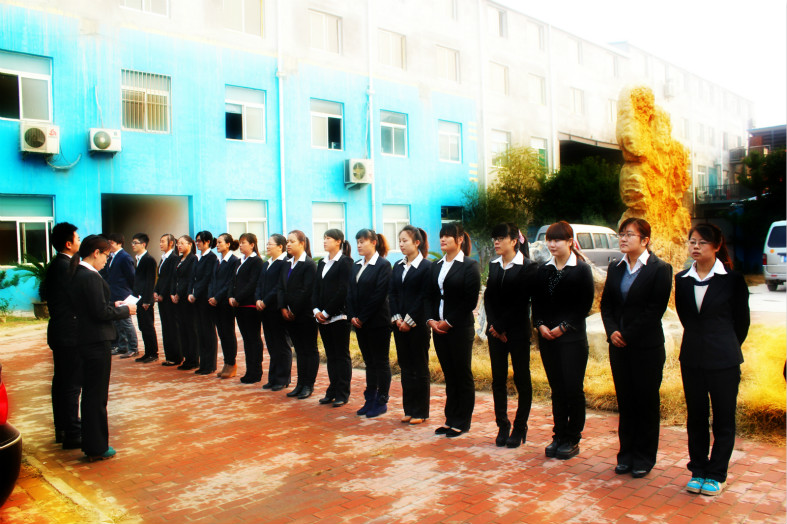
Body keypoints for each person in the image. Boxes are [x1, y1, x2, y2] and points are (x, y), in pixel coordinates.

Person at [675, 223, 749, 496]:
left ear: (717, 246)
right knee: (696, 417)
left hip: (724, 360)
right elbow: (686, 318)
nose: (695, 246)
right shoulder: (682, 279)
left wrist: (724, 345)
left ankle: (717, 473)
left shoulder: (732, 280)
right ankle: (698, 469)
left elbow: (741, 323)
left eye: (702, 242)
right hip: (692, 358)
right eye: (692, 241)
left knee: (723, 419)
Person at [600, 218, 672, 478]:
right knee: (626, 401)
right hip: (619, 347)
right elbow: (606, 305)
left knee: (646, 402)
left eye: (629, 234)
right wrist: (612, 332)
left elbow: (655, 310)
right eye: (621, 234)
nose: (623, 238)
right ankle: (626, 455)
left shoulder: (660, 269)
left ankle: (644, 457)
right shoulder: (616, 267)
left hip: (646, 347)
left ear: (645, 240)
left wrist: (627, 334)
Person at [68, 235, 136, 461]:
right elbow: (99, 313)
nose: (107, 261)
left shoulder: (79, 273)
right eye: (106, 255)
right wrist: (125, 310)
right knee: (96, 396)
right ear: (96, 253)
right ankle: (97, 446)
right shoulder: (89, 276)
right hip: (95, 341)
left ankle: (93, 443)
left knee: (91, 394)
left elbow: (95, 306)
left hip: (87, 339)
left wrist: (112, 305)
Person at [533, 221, 594, 460]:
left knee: (573, 389)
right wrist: (540, 325)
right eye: (549, 239)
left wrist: (563, 327)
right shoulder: (544, 270)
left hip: (572, 339)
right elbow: (537, 303)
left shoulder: (581, 269)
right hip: (548, 339)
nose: (552, 244)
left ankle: (572, 437)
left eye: (557, 240)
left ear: (570, 242)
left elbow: (584, 305)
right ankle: (558, 435)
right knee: (557, 389)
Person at [484, 223, 538, 448]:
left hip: (517, 331)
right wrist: (494, 326)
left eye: (500, 238)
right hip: (496, 332)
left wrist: (502, 326)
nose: (496, 242)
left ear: (514, 241)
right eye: (494, 238)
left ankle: (520, 426)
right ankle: (502, 424)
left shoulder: (528, 267)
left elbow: (521, 301)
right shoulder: (494, 264)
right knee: (498, 379)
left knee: (521, 378)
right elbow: (488, 297)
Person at [426, 223, 481, 438]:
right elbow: (430, 296)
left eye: (448, 236)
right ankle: (450, 419)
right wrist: (431, 320)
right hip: (438, 329)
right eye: (441, 236)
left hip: (459, 328)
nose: (443, 239)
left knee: (461, 374)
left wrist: (448, 322)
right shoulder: (436, 266)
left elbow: (469, 301)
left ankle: (462, 421)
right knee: (449, 375)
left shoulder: (469, 265)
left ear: (459, 240)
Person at [43, 222, 82, 449]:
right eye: (77, 238)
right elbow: (75, 299)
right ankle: (72, 432)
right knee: (71, 383)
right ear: (68, 244)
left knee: (61, 381)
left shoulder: (56, 264)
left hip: (60, 331)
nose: (79, 241)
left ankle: (63, 428)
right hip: (69, 333)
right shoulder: (65, 267)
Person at [389, 226, 432, 425]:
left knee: (419, 367)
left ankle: (421, 411)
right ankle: (409, 409)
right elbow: (392, 293)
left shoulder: (426, 267)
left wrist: (409, 320)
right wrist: (397, 318)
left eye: (405, 240)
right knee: (405, 367)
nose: (401, 244)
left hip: (418, 326)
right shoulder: (398, 266)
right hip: (399, 326)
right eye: (400, 240)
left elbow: (424, 296)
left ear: (417, 243)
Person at [347, 229, 392, 418]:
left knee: (380, 362)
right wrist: (352, 316)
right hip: (360, 323)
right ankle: (370, 399)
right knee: (369, 362)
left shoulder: (383, 265)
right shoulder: (356, 265)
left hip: (377, 322)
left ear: (374, 243)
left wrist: (363, 317)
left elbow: (379, 295)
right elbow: (350, 292)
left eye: (362, 242)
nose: (359, 245)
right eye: (357, 241)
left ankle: (381, 401)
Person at [312, 229, 354, 407]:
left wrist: (327, 312)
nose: (325, 241)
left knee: (341, 355)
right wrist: (316, 310)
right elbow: (316, 288)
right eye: (324, 238)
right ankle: (332, 390)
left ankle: (342, 392)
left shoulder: (345, 262)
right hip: (322, 316)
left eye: (328, 238)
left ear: (338, 241)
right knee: (331, 355)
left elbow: (343, 290)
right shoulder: (322, 262)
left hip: (338, 316)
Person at [278, 230, 318, 399]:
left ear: (302, 243)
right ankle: (300, 384)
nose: (288, 244)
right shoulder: (287, 263)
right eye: (287, 241)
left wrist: (293, 309)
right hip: (289, 315)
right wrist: (283, 307)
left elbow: (306, 291)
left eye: (292, 241)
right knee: (299, 351)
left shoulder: (309, 265)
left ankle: (308, 385)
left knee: (309, 350)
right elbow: (281, 287)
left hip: (304, 315)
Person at [256, 234, 291, 390]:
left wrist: (265, 301)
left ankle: (283, 379)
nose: (267, 246)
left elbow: (279, 286)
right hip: (265, 310)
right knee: (271, 344)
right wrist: (258, 299)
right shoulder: (266, 263)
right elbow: (259, 284)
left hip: (276, 308)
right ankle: (273, 377)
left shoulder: (285, 263)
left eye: (270, 244)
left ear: (280, 246)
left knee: (281, 344)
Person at [229, 232, 264, 383]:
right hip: (239, 306)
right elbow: (233, 281)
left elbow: (252, 283)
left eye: (244, 243)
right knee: (246, 339)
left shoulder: (256, 261)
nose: (241, 245)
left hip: (249, 305)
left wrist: (238, 298)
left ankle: (256, 371)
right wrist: (231, 296)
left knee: (253, 338)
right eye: (240, 242)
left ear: (252, 244)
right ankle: (249, 370)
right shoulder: (239, 261)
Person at [210, 234, 240, 378]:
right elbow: (213, 280)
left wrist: (217, 297)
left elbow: (230, 282)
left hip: (225, 303)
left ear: (228, 244)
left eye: (220, 242)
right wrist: (211, 296)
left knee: (228, 333)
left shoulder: (234, 261)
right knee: (222, 333)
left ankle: (231, 364)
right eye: (217, 243)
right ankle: (226, 363)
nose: (217, 245)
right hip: (215, 303)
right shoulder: (218, 261)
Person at [104, 233, 138, 358]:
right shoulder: (112, 257)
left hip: (123, 294)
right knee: (118, 323)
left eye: (111, 243)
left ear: (119, 243)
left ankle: (133, 347)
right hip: (114, 294)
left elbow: (131, 276)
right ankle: (122, 346)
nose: (109, 245)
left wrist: (132, 293)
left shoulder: (124, 257)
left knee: (126, 322)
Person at [189, 231, 219, 375]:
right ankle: (203, 363)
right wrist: (190, 292)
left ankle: (210, 364)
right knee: (200, 330)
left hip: (205, 299)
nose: (197, 243)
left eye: (199, 241)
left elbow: (207, 278)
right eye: (196, 241)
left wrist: (195, 294)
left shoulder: (211, 258)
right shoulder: (198, 258)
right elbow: (193, 277)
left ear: (207, 242)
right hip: (197, 299)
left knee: (208, 331)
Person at [171, 235, 199, 371]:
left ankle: (193, 359)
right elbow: (174, 278)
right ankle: (186, 357)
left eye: (182, 243)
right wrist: (172, 292)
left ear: (190, 244)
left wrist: (179, 293)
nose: (179, 246)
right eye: (178, 243)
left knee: (190, 329)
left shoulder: (193, 259)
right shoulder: (178, 259)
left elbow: (189, 279)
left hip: (186, 299)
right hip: (177, 299)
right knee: (181, 329)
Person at [154, 234, 182, 367]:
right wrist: (155, 291)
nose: (160, 244)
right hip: (161, 298)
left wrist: (163, 294)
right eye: (160, 241)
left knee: (172, 327)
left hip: (168, 298)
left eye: (163, 241)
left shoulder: (174, 258)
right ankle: (169, 355)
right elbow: (160, 278)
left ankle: (176, 356)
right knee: (165, 326)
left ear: (171, 243)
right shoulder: (163, 258)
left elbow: (171, 279)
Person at [130, 233, 159, 363]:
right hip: (139, 299)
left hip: (145, 300)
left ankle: (153, 353)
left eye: (135, 243)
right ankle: (148, 353)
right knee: (142, 326)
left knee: (148, 326)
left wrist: (147, 300)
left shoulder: (149, 260)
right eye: (132, 242)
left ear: (143, 244)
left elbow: (150, 281)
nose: (133, 245)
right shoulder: (138, 259)